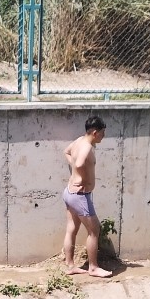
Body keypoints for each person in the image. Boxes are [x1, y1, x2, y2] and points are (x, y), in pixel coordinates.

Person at [62, 115, 112, 278]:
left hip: (69, 192)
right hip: (80, 195)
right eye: (103, 133)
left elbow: (67, 152)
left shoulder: (78, 141)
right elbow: (79, 163)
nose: (104, 136)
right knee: (94, 231)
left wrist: (76, 175)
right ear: (95, 133)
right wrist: (82, 179)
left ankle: (70, 266)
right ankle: (93, 267)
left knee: (72, 229)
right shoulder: (87, 147)